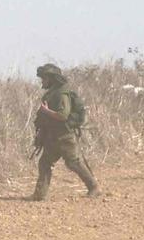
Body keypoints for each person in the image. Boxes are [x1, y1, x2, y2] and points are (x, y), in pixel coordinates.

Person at [29, 64, 100, 200]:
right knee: (44, 163)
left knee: (74, 162)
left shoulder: (62, 93)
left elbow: (63, 116)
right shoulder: (54, 92)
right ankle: (39, 195)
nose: (42, 82)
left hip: (64, 137)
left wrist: (46, 111)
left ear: (51, 78)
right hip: (53, 137)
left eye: (44, 78)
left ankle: (94, 187)